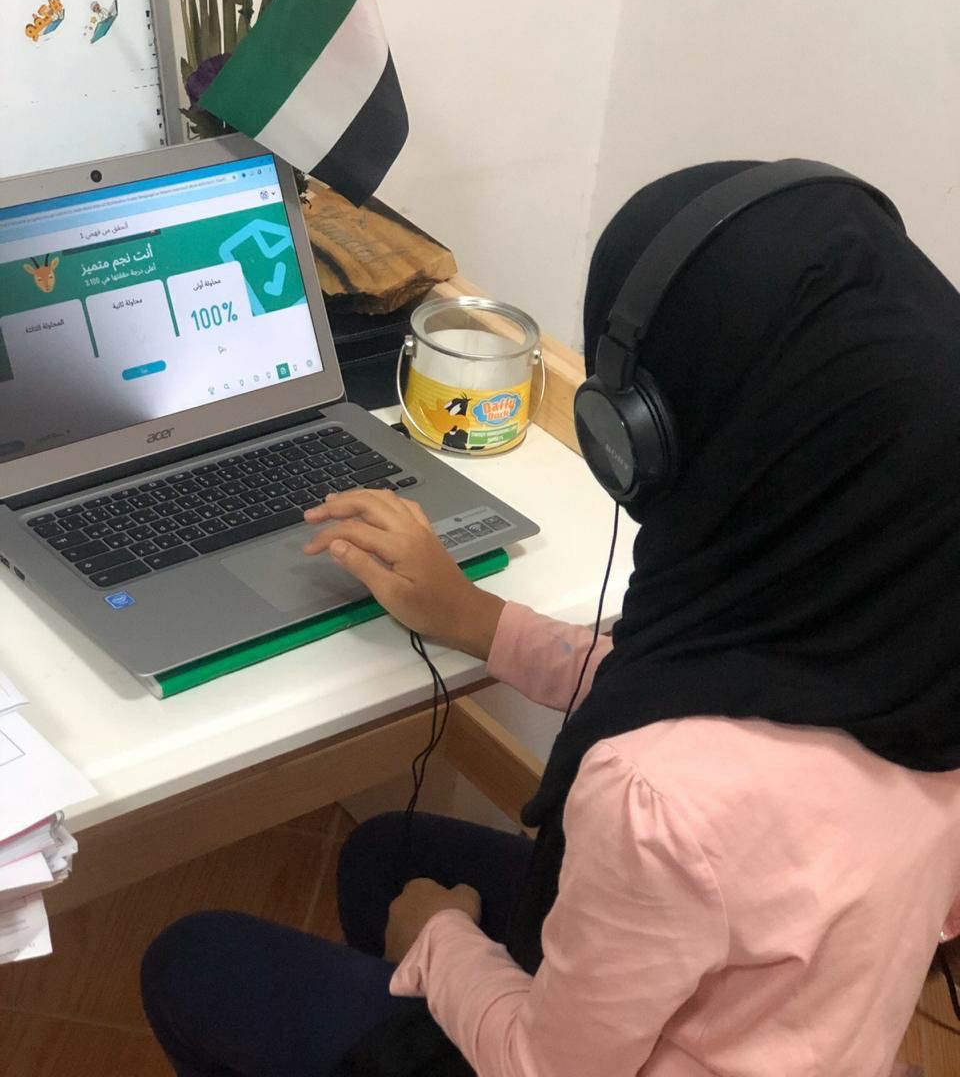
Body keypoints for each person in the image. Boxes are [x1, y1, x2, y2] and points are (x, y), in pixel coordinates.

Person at [142, 162, 960, 1076]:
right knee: (381, 856)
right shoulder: (899, 637)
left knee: (190, 963)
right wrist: (476, 618)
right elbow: (682, 700)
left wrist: (441, 942)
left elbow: (549, 1066)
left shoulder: (655, 795)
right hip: (793, 1026)